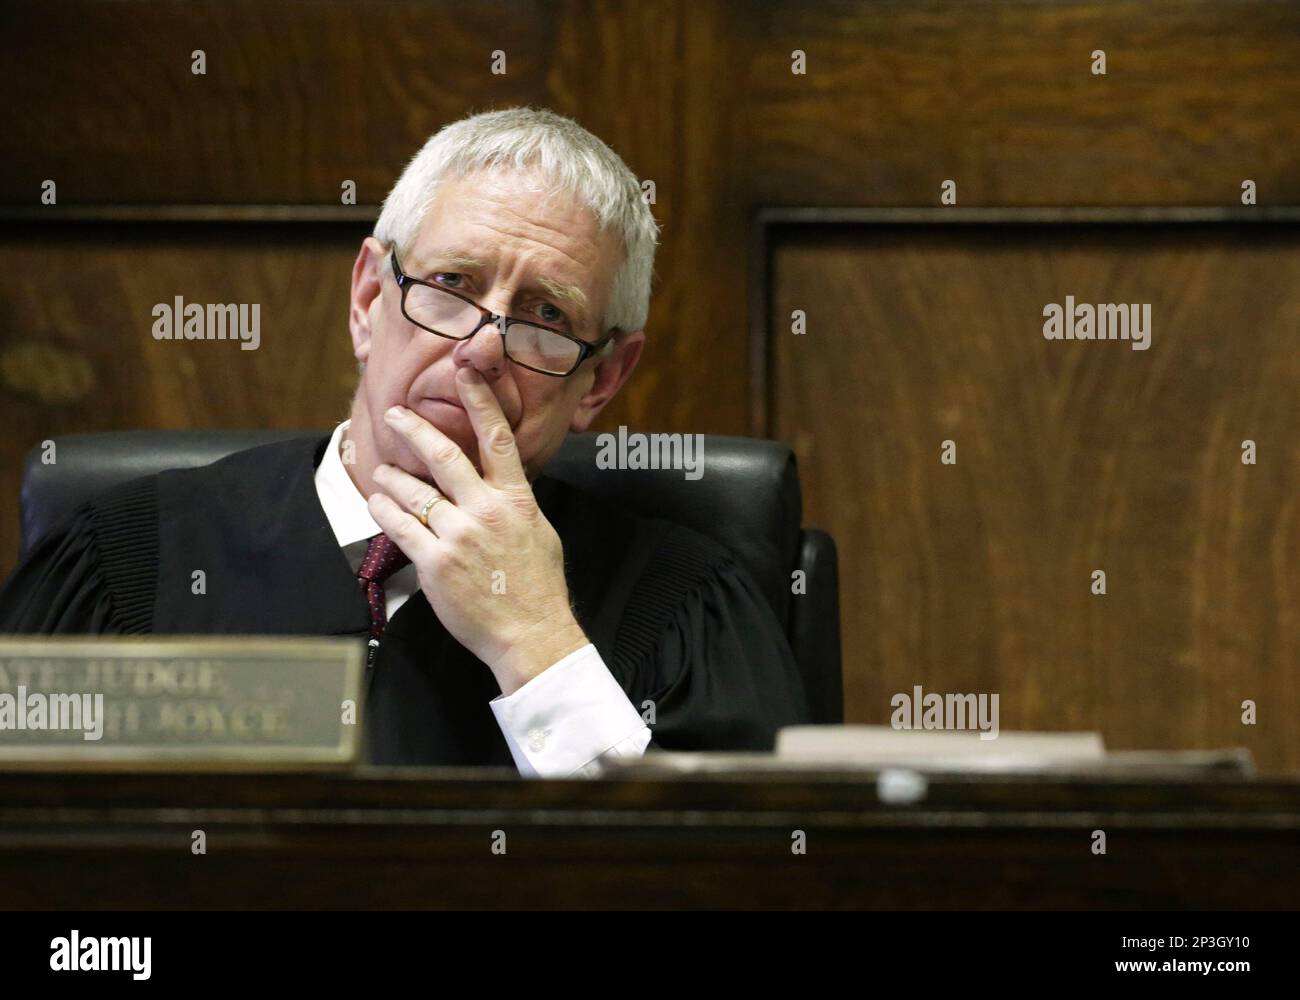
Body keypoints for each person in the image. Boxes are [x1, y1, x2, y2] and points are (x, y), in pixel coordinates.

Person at [0, 107, 809, 773]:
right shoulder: (128, 560)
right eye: (451, 286)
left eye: (546, 316)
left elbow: (743, 881)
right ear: (366, 300)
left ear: (600, 380)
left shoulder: (682, 601)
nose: (481, 350)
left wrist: (538, 643)